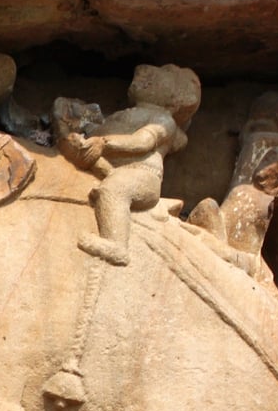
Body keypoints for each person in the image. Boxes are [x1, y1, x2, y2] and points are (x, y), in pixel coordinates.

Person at [61, 63, 200, 267]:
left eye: (166, 72)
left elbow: (142, 142)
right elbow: (98, 133)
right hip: (112, 169)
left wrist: (104, 143)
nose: (145, 70)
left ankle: (117, 245)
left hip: (142, 175)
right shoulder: (123, 114)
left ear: (176, 100)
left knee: (114, 189)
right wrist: (81, 138)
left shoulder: (163, 119)